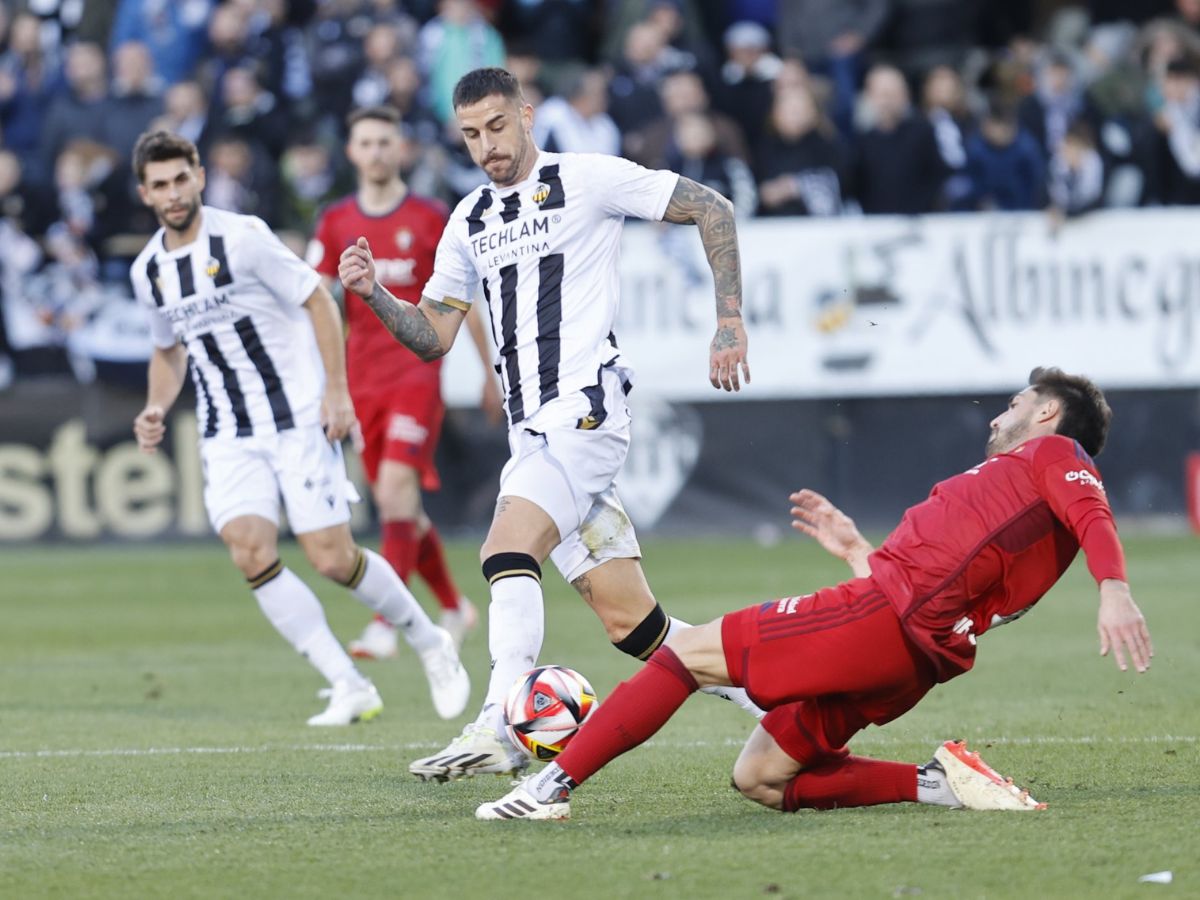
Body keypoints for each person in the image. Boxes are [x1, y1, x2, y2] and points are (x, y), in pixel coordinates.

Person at [475, 367, 1154, 820]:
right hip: (914, 658)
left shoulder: (1058, 456)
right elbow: (958, 583)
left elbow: (1092, 514)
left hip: (882, 620)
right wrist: (861, 551)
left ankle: (551, 787)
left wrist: (1115, 589)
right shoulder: (1021, 502)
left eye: (1014, 403)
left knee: (685, 656)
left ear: (1047, 410)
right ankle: (933, 782)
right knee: (763, 778)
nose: (999, 415)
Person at [338, 66, 759, 782]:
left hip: (586, 409)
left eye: (497, 127)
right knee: (636, 627)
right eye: (471, 134)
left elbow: (711, 208)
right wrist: (373, 293)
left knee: (505, 549)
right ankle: (775, 698)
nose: (487, 146)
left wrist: (728, 322)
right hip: (533, 428)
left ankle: (500, 717)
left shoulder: (588, 179)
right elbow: (435, 337)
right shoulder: (468, 219)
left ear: (526, 115)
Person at [128, 130, 470, 727]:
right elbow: (168, 349)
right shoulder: (148, 271)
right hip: (227, 430)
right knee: (249, 549)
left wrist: (336, 391)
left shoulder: (244, 238)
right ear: (145, 193)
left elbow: (318, 298)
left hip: (294, 416)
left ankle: (428, 639)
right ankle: (348, 682)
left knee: (333, 559)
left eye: (181, 178)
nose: (173, 192)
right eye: (160, 184)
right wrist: (157, 405)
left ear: (200, 177)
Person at [308, 105, 498, 659]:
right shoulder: (336, 221)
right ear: (351, 152)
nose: (375, 152)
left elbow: (463, 301)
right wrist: (325, 380)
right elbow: (319, 303)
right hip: (360, 382)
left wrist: (490, 373)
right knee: (402, 509)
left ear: (401, 149)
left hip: (416, 375)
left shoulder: (431, 216)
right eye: (364, 142)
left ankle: (385, 623)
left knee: (393, 492)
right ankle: (454, 605)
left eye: (384, 142)